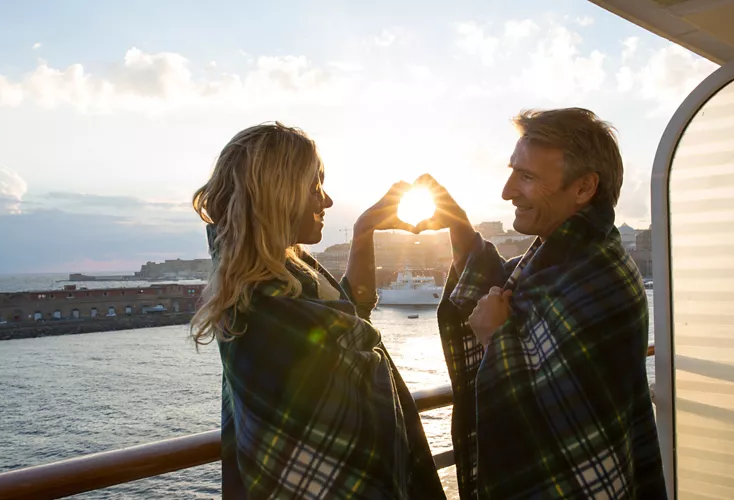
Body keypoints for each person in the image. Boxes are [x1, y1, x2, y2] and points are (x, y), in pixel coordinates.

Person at [415, 108, 666, 499]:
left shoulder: (597, 279)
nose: (507, 190)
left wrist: (496, 338)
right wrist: (458, 223)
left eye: (527, 177)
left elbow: (546, 413)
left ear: (584, 188)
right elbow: (505, 281)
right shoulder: (567, 258)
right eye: (513, 170)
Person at [190, 122, 445, 499]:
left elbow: (348, 317)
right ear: (278, 195)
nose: (326, 201)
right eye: (314, 187)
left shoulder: (288, 277)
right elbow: (349, 362)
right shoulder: (264, 307)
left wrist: (364, 232)